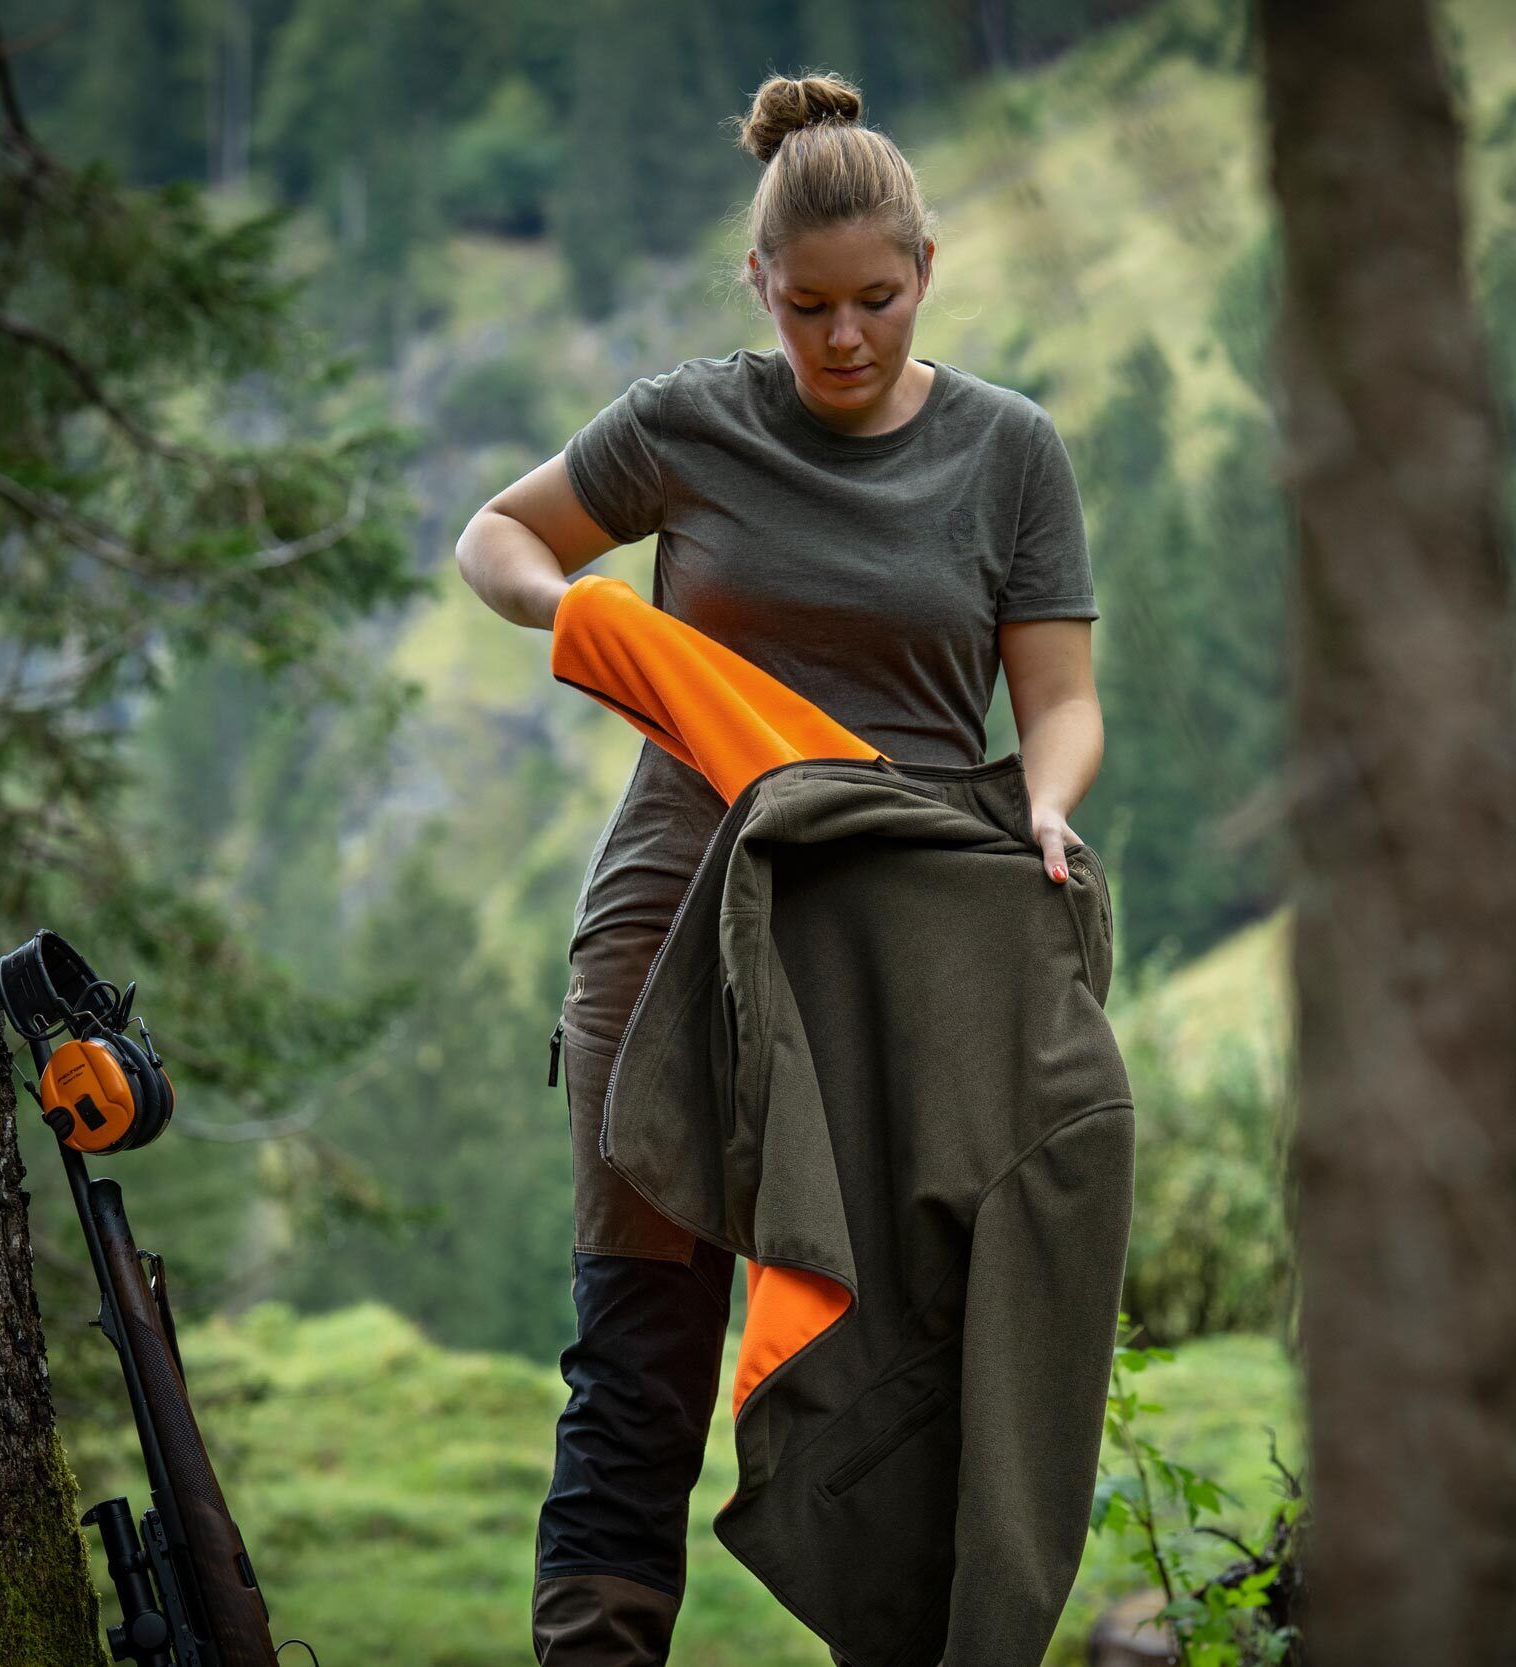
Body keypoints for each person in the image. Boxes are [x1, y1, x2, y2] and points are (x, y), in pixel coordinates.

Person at [451, 67, 1105, 1666]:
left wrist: (1048, 806)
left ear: (926, 273)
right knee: (639, 1346)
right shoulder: (688, 422)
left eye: (874, 300)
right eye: (808, 305)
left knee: (908, 1348)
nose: (843, 339)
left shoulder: (1009, 452)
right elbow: (496, 537)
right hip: (678, 913)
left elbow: (1062, 698)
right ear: (759, 285)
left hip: (903, 931)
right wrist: (587, 618)